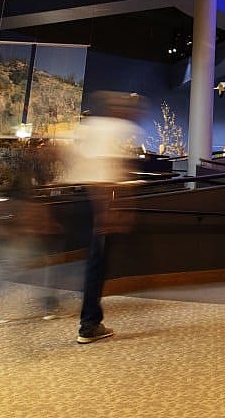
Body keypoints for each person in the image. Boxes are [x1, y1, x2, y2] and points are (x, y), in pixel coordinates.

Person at [66, 90, 146, 344]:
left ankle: (86, 317)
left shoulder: (87, 127)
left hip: (78, 198)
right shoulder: (116, 128)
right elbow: (112, 168)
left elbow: (63, 154)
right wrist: (110, 210)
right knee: (96, 263)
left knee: (90, 261)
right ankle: (89, 324)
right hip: (96, 200)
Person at [0, 157, 62, 325]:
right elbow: (30, 213)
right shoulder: (27, 192)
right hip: (20, 238)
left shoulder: (9, 190)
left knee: (0, 271)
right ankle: (50, 306)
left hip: (5, 236)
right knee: (47, 266)